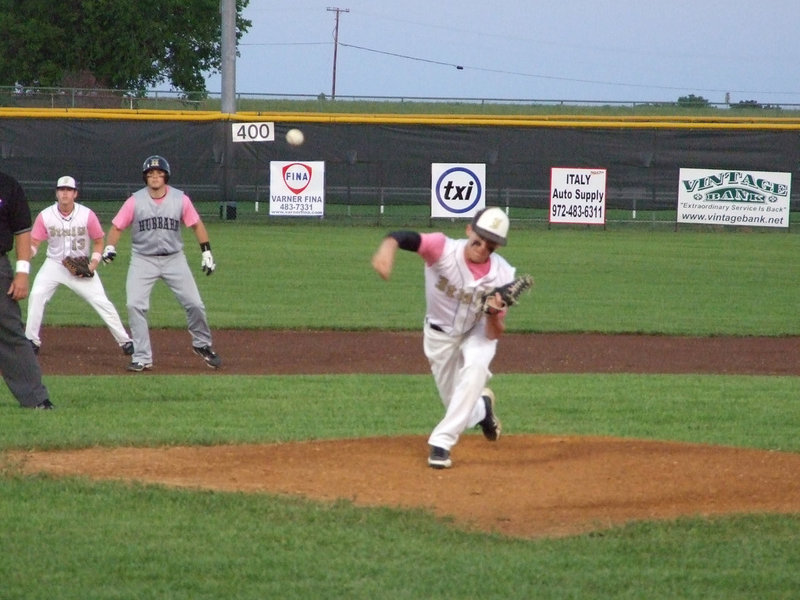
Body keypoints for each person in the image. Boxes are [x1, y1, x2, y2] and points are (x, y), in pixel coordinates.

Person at [371, 206, 517, 469]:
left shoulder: (503, 274)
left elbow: (494, 333)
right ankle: (483, 410)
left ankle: (441, 443)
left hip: (477, 330)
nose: (483, 247)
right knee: (459, 407)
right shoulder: (442, 249)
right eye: (479, 239)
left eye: (491, 244)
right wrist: (387, 247)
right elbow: (405, 238)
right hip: (439, 335)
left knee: (476, 366)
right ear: (469, 230)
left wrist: (494, 313)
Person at [102, 155, 221, 372]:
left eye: (159, 174)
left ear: (165, 176)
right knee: (134, 304)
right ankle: (142, 356)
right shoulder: (134, 201)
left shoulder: (180, 199)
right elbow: (117, 227)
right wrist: (110, 247)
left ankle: (202, 345)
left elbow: (196, 225)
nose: (155, 177)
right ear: (145, 178)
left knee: (194, 303)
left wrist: (206, 252)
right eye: (150, 174)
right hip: (143, 259)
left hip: (174, 258)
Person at [25, 176, 134, 356]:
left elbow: (99, 241)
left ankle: (126, 342)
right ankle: (31, 340)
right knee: (37, 295)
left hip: (80, 264)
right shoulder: (45, 215)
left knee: (101, 302)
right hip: (54, 264)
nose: (65, 193)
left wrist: (93, 264)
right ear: (57, 193)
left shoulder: (87, 215)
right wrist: (30, 253)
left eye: (68, 190)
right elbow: (35, 242)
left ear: (75, 193)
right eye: (61, 190)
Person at [0, 170, 53, 409]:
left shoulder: (8, 185)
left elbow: (22, 231)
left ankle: (35, 398)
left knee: (10, 331)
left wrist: (22, 273)